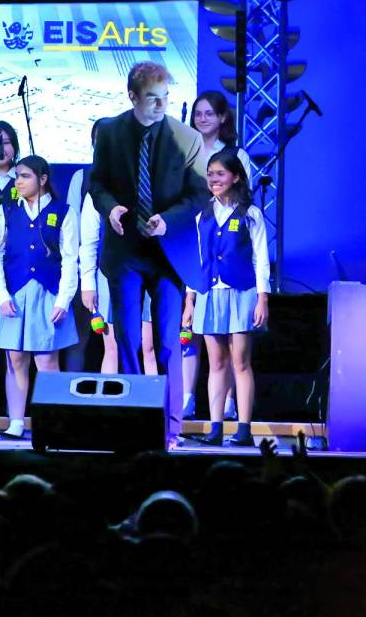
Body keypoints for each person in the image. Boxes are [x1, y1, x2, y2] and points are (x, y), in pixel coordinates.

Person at [88, 61, 206, 446]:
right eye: (153, 98)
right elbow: (98, 182)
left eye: (166, 98)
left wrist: (167, 221)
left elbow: (199, 194)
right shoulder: (109, 131)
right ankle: (134, 424)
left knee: (169, 342)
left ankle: (170, 428)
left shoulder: (186, 138)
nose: (161, 105)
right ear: (133, 96)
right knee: (127, 339)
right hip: (126, 251)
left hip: (168, 253)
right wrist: (111, 208)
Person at [0, 156, 80, 439]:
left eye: (25, 176)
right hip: (14, 293)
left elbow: (69, 259)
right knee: (15, 359)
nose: (18, 181)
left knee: (47, 360)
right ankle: (16, 421)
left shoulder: (63, 212)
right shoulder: (5, 212)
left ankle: (50, 423)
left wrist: (63, 300)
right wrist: (1, 295)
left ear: (42, 179)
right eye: (17, 176)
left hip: (47, 293)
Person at [183, 149, 270, 447]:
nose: (214, 179)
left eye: (220, 173)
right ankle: (216, 428)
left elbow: (261, 259)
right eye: (210, 174)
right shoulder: (201, 215)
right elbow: (195, 261)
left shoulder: (251, 214)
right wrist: (189, 301)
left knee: (240, 362)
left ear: (235, 177)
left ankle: (244, 429)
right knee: (216, 362)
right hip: (209, 293)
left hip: (242, 292)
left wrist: (262, 298)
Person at [186, 89, 253, 419]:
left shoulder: (235, 154)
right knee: (194, 329)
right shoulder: (185, 153)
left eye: (209, 113)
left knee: (228, 341)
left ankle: (228, 404)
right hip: (195, 241)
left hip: (228, 251)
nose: (202, 118)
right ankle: (188, 396)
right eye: (198, 113)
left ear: (223, 117)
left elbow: (245, 201)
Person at [70, 119, 119, 373]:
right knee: (105, 342)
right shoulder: (89, 185)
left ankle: (146, 406)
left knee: (144, 345)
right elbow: (83, 237)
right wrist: (86, 281)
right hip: (102, 271)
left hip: (139, 272)